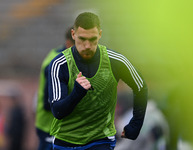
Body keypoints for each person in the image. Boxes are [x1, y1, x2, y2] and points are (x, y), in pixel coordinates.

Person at [48, 12, 148, 150]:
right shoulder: (59, 64)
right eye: (82, 39)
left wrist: (135, 125)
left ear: (100, 34)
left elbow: (141, 87)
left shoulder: (115, 61)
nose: (87, 45)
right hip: (65, 142)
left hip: (100, 141)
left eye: (93, 39)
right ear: (73, 34)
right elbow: (58, 111)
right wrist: (77, 93)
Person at [35, 27, 75, 150]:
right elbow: (49, 102)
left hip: (57, 127)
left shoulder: (63, 55)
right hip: (50, 127)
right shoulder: (56, 62)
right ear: (69, 42)